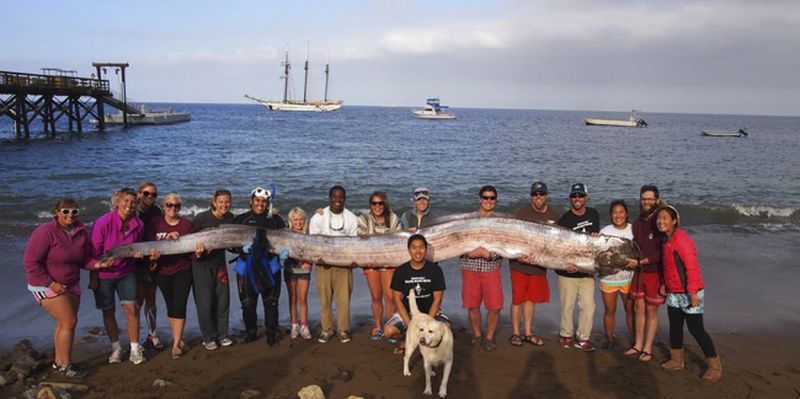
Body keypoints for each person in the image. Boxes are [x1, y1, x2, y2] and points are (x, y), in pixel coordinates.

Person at [23, 198, 93, 378]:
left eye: (74, 211)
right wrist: (51, 284)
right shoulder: (45, 232)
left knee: (64, 323)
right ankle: (66, 366)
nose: (70, 215)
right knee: (69, 322)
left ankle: (59, 362)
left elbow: (84, 260)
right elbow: (31, 263)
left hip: (71, 284)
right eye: (66, 211)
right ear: (56, 212)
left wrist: (100, 265)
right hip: (44, 284)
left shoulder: (80, 232)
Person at [657, 205, 722, 382]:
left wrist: (692, 292)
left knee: (696, 329)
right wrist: (664, 284)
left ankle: (715, 367)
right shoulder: (666, 240)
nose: (660, 221)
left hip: (691, 292)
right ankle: (677, 360)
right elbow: (669, 267)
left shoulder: (682, 240)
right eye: (659, 218)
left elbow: (692, 267)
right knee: (675, 327)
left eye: (665, 218)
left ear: (674, 221)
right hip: (674, 293)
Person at [90, 188, 152, 365]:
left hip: (127, 272)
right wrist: (93, 277)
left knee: (132, 310)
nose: (129, 205)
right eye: (126, 201)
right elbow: (93, 253)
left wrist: (139, 254)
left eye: (133, 202)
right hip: (104, 274)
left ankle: (134, 349)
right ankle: (116, 347)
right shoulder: (103, 222)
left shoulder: (138, 225)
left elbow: (138, 247)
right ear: (117, 202)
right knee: (108, 311)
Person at [508, 182, 559, 347]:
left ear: (547, 196)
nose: (538, 197)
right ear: (531, 196)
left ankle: (528, 333)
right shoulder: (521, 212)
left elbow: (558, 243)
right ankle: (516, 333)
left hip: (539, 265)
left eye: (542, 194)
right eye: (535, 194)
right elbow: (510, 236)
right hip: (519, 264)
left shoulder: (553, 215)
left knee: (531, 299)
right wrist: (518, 256)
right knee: (518, 299)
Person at [234, 186, 286, 345]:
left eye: (264, 202)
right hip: (246, 268)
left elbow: (286, 240)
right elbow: (228, 244)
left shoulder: (275, 220)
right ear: (251, 201)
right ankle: (251, 332)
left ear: (267, 203)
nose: (260, 204)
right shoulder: (240, 220)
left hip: (270, 267)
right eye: (257, 200)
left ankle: (271, 333)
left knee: (271, 302)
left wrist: (284, 252)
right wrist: (239, 249)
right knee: (248, 304)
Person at [146, 193, 194, 359]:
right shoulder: (155, 223)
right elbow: (149, 243)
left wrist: (200, 252)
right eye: (169, 205)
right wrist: (163, 242)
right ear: (163, 206)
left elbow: (191, 250)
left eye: (176, 206)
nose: (173, 208)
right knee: (171, 305)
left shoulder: (186, 225)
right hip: (162, 270)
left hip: (183, 269)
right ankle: (178, 339)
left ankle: (175, 346)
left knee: (180, 305)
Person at [308, 185, 358, 343]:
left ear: (345, 198)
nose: (338, 199)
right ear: (330, 198)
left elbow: (354, 243)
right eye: (335, 196)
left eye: (341, 197)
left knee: (343, 300)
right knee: (325, 299)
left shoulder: (351, 218)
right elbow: (313, 241)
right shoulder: (318, 217)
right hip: (323, 265)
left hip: (344, 266)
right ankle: (326, 329)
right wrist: (318, 257)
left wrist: (353, 260)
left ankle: (343, 330)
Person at [384, 234, 449, 354]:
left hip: (430, 312)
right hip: (408, 313)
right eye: (414, 247)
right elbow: (397, 299)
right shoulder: (401, 271)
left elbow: (437, 299)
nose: (418, 251)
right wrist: (411, 326)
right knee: (388, 331)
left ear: (426, 249)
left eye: (421, 247)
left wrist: (428, 322)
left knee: (446, 330)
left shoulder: (435, 270)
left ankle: (427, 341)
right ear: (409, 250)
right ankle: (405, 339)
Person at [623, 185, 666, 362]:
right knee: (637, 308)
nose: (646, 202)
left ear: (656, 200)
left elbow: (660, 252)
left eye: (650, 199)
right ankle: (638, 344)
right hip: (639, 272)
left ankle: (648, 348)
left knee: (651, 310)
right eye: (643, 199)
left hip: (655, 272)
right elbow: (635, 247)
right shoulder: (638, 222)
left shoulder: (660, 220)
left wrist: (640, 262)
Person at [458, 185, 503, 352]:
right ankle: (477, 334)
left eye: (492, 198)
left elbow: (506, 243)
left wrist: (489, 255)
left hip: (491, 267)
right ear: (480, 199)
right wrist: (470, 252)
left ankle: (489, 337)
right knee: (472, 304)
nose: (488, 201)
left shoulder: (501, 221)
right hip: (469, 267)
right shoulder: (467, 219)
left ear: (496, 201)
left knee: (495, 306)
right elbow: (457, 241)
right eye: (485, 197)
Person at [556, 183, 600, 352]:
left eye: (580, 196)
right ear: (570, 199)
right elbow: (559, 247)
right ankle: (566, 335)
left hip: (587, 271)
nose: (577, 199)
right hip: (567, 271)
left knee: (588, 306)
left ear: (586, 197)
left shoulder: (593, 214)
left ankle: (583, 338)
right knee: (567, 306)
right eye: (574, 196)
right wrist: (566, 265)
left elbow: (593, 243)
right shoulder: (564, 219)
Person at [192, 189, 235, 350]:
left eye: (228, 202)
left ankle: (223, 335)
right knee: (205, 303)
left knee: (223, 301)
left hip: (220, 264)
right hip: (201, 265)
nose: (224, 205)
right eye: (221, 202)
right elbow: (188, 242)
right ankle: (208, 337)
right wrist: (198, 252)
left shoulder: (230, 218)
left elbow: (232, 243)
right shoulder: (201, 219)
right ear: (214, 202)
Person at [357, 191, 402, 341]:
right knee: (376, 297)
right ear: (370, 205)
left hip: (389, 263)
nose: (377, 206)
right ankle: (378, 326)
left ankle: (390, 326)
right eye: (374, 203)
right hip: (371, 262)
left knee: (390, 297)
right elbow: (360, 240)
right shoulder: (364, 219)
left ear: (385, 204)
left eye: (380, 203)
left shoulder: (394, 218)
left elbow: (399, 240)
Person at [598, 200, 635, 350]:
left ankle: (635, 339)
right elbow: (599, 254)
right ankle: (609, 338)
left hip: (629, 278)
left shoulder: (634, 230)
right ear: (610, 215)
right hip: (609, 278)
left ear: (626, 214)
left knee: (630, 310)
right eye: (614, 212)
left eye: (621, 212)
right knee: (609, 310)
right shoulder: (605, 231)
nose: (618, 215)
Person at [136, 181, 164, 350]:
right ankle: (136, 337)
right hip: (135, 259)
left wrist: (154, 259)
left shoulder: (156, 211)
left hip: (152, 256)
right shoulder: (132, 210)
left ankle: (152, 333)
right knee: (137, 299)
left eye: (153, 195)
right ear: (139, 194)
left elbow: (158, 235)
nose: (149, 197)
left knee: (151, 297)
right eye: (146, 193)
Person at [284, 207, 313, 340]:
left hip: (304, 269)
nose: (298, 222)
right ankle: (294, 325)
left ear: (304, 220)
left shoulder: (308, 234)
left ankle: (304, 325)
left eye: (301, 219)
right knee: (293, 299)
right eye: (295, 219)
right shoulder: (286, 233)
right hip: (290, 269)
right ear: (291, 220)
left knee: (303, 299)